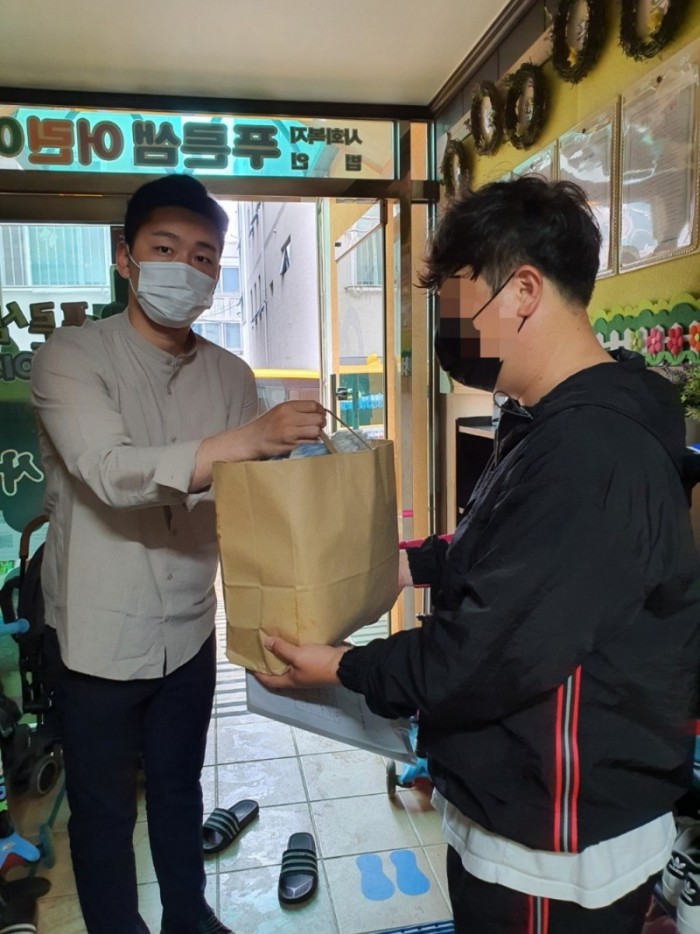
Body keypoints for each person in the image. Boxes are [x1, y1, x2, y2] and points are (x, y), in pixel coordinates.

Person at [257, 176, 700, 933]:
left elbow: (485, 653)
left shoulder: (592, 449)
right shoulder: (554, 419)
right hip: (522, 804)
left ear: (522, 291)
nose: (448, 326)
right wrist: (411, 564)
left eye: (455, 302)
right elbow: (501, 546)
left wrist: (342, 668)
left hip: (553, 842)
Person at [30, 174, 325, 934]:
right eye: (164, 248)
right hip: (97, 636)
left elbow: (244, 506)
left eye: (203, 257)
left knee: (178, 787)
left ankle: (189, 916)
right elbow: (111, 471)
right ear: (124, 256)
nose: (184, 269)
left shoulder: (230, 375)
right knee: (101, 809)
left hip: (190, 629)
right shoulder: (69, 357)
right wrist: (250, 439)